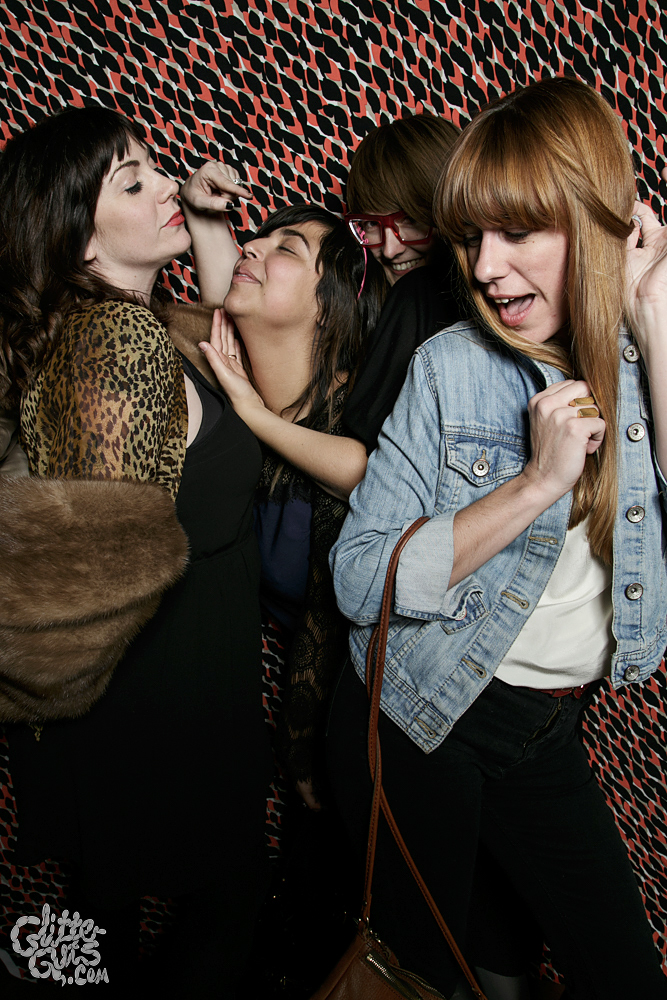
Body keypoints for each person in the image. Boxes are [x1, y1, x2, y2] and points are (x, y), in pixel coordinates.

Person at [328, 76, 667, 1000]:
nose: (483, 268)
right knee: (424, 977)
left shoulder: (650, 353)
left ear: (593, 222)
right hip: (418, 710)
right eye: (473, 237)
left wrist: (653, 323)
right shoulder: (449, 367)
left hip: (544, 726)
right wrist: (534, 484)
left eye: (517, 232)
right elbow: (359, 580)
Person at [0, 107, 272, 996]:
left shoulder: (141, 321)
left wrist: (203, 219)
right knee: (212, 902)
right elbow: (104, 559)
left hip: (175, 678)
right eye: (134, 182)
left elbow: (239, 335)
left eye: (153, 168)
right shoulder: (113, 343)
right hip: (153, 695)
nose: (164, 187)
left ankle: (42, 971)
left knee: (104, 907)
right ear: (80, 241)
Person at [341, 112, 463, 452]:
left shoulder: (418, 292)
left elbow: (360, 456)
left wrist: (252, 414)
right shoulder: (361, 296)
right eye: (370, 224)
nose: (391, 250)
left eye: (410, 219)